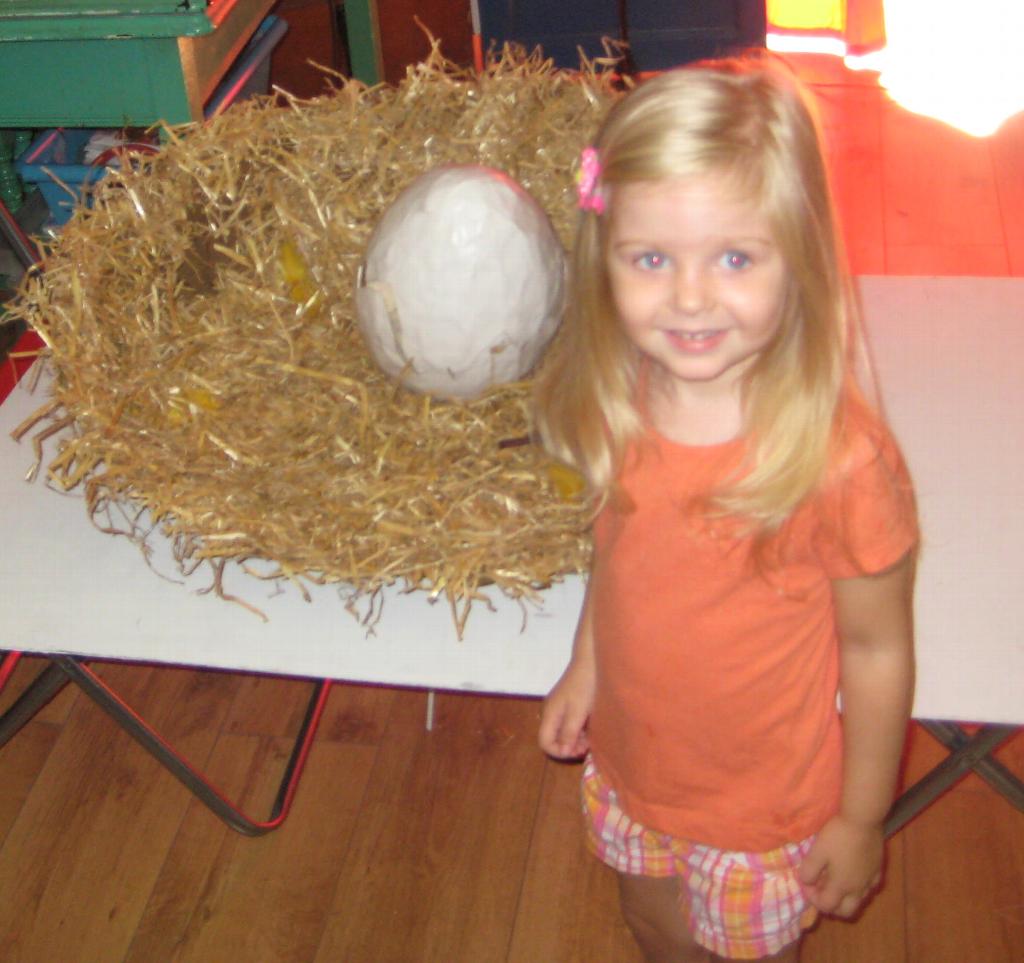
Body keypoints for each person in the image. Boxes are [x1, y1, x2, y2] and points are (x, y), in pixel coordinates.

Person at [534, 54, 918, 963]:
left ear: (801, 257)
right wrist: (586, 663)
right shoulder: (622, 399)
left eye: (735, 257)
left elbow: (876, 649)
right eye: (651, 258)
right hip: (635, 767)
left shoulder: (839, 461)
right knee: (654, 928)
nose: (690, 297)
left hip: (762, 814)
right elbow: (618, 558)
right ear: (604, 256)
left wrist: (862, 816)